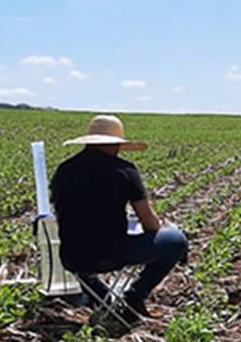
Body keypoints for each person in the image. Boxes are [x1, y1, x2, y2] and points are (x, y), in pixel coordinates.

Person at [50, 114, 187, 321]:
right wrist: (159, 231)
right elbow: (148, 221)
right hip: (111, 254)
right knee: (177, 241)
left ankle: (100, 295)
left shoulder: (63, 170)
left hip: (71, 257)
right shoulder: (124, 171)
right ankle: (134, 297)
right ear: (116, 144)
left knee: (82, 250)